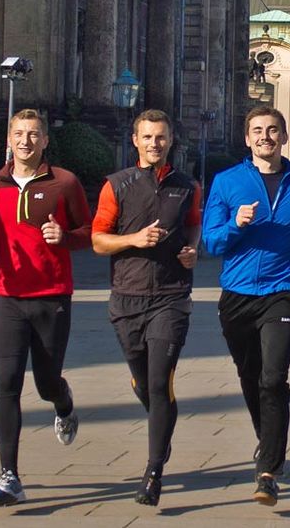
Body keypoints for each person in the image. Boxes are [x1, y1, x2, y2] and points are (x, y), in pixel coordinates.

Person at [201, 106, 290, 506]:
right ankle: (267, 440)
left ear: (284, 137)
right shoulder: (226, 181)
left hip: (282, 290)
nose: (265, 137)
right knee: (250, 375)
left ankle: (269, 469)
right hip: (236, 294)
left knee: (274, 378)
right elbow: (211, 242)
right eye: (257, 131)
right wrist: (235, 223)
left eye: (273, 130)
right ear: (247, 138)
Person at [90, 109, 202, 506]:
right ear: (135, 140)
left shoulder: (187, 185)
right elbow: (98, 241)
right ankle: (162, 422)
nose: (155, 143)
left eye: (161, 137)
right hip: (127, 298)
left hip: (171, 297)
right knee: (144, 382)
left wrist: (192, 249)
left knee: (159, 383)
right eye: (147, 137)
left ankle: (153, 470)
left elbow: (192, 224)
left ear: (171, 140)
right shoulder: (115, 186)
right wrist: (133, 239)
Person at [0, 109, 93, 506]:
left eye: (33, 134)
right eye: (18, 134)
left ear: (45, 140)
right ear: (8, 139)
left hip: (51, 296)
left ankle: (63, 404)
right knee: (5, 384)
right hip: (7, 297)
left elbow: (89, 233)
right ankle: (9, 476)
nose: (25, 141)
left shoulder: (64, 182)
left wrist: (65, 236)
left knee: (46, 382)